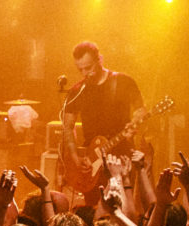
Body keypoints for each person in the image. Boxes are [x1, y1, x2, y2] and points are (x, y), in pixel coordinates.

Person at [59, 41, 144, 184]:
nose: (85, 73)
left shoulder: (123, 81)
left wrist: (134, 125)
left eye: (88, 67)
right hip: (92, 160)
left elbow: (140, 110)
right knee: (93, 205)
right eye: (80, 70)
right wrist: (75, 157)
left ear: (100, 59)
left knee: (122, 203)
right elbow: (68, 126)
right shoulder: (77, 90)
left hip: (121, 153)